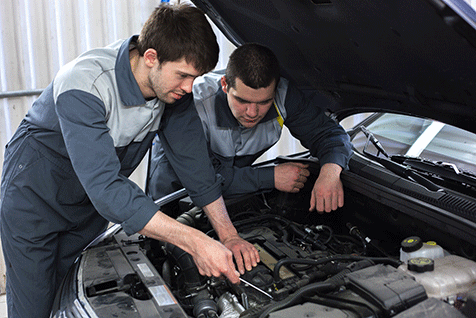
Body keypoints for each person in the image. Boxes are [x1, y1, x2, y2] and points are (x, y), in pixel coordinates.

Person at [0, 5, 258, 318]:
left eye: (196, 78)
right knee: (35, 305)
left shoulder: (172, 92)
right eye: (183, 75)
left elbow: (197, 168)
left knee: (70, 298)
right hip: (35, 199)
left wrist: (228, 236)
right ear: (151, 57)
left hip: (86, 208)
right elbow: (108, 188)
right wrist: (195, 242)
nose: (189, 88)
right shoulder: (85, 83)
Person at [148, 43, 353, 213]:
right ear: (225, 85)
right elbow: (204, 180)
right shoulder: (193, 105)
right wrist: (271, 177)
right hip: (173, 194)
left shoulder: (284, 96)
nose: (253, 112)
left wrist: (330, 172)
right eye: (242, 100)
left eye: (264, 102)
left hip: (229, 194)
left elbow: (329, 134)